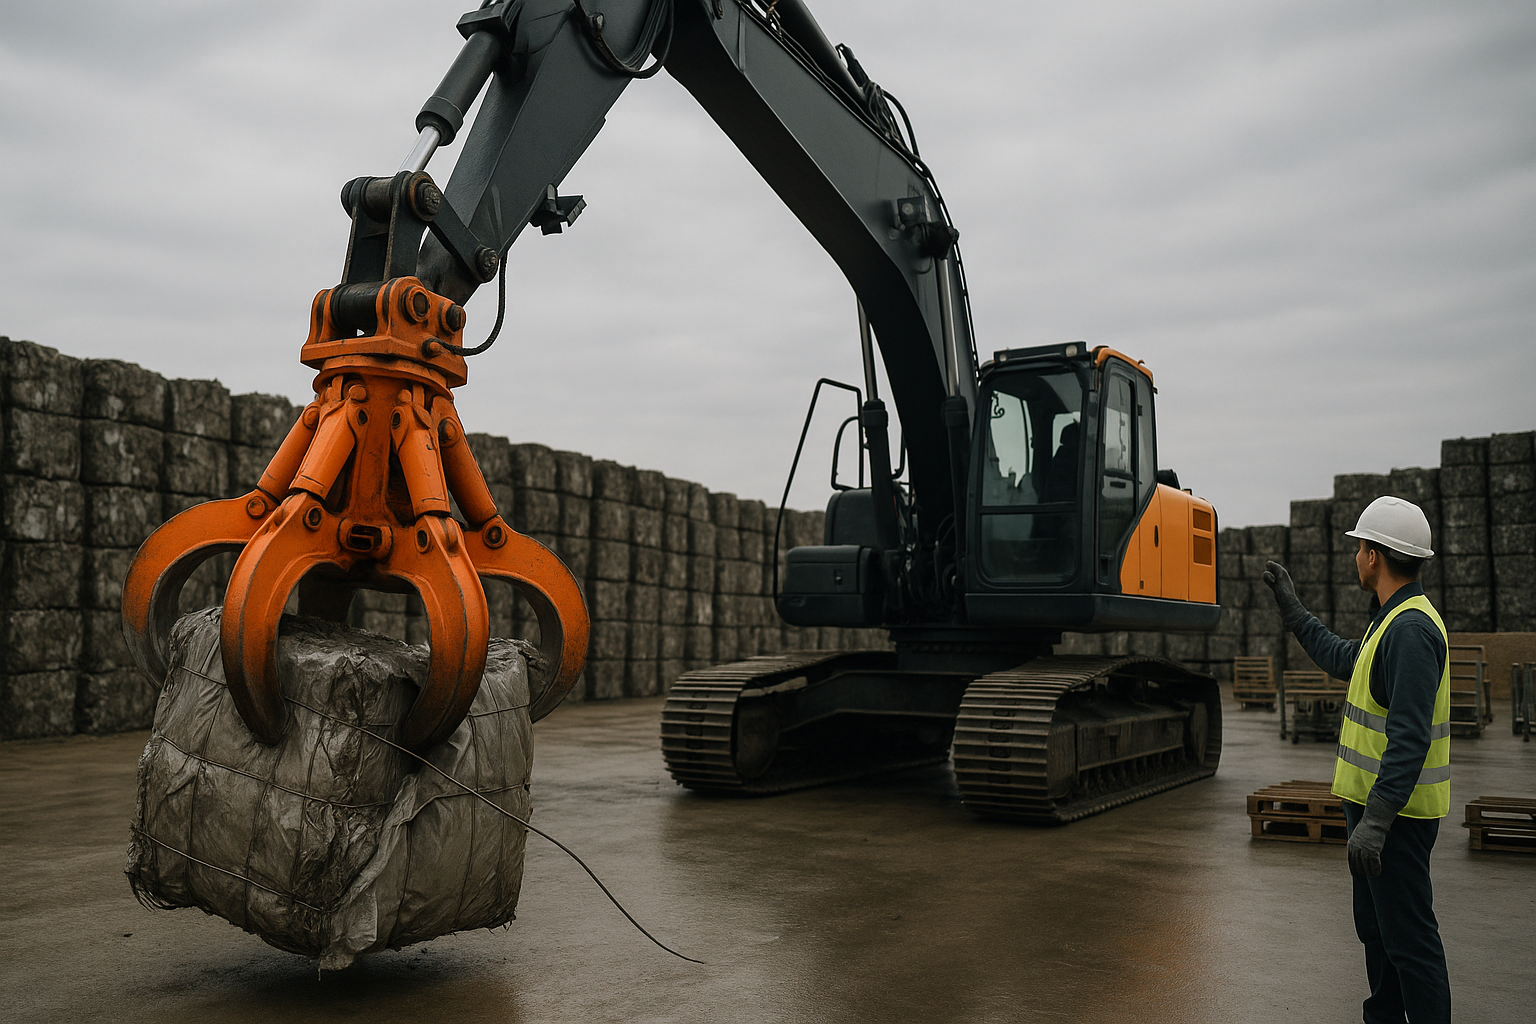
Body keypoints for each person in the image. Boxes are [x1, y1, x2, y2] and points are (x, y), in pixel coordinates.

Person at [1263, 495, 1451, 1024]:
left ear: (1374, 555)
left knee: (1410, 943)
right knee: (1378, 934)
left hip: (1397, 820)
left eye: (1358, 547)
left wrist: (1376, 821)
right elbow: (1345, 659)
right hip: (1374, 814)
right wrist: (1297, 616)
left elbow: (1410, 738)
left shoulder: (1411, 631)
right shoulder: (1389, 622)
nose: (1355, 558)